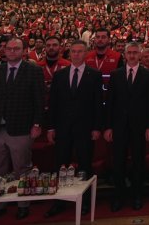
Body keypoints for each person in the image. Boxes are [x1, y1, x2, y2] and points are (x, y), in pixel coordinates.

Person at [0, 37, 45, 220]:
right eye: (9, 48)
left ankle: (23, 204)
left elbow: (39, 101)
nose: (12, 51)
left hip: (21, 128)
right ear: (4, 51)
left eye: (17, 49)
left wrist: (37, 124)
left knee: (22, 168)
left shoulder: (34, 71)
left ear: (24, 51)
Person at [44, 40, 103, 218]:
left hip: (85, 128)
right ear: (69, 53)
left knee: (85, 166)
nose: (76, 54)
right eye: (73, 51)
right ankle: (59, 201)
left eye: (80, 51)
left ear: (86, 54)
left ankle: (85, 201)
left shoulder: (95, 75)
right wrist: (51, 127)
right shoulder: (60, 75)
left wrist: (97, 127)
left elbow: (98, 104)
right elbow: (53, 103)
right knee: (60, 165)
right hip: (62, 128)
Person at [104, 42, 149, 211]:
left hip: (139, 126)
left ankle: (137, 195)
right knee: (118, 162)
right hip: (119, 126)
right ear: (125, 55)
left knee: (138, 161)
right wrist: (109, 127)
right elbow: (110, 103)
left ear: (140, 55)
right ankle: (119, 196)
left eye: (135, 52)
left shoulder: (147, 75)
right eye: (130, 53)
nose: (132, 55)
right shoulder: (116, 74)